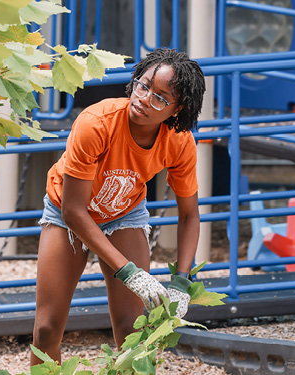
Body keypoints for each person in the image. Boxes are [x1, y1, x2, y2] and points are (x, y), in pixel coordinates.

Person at [31, 48, 206, 366]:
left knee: (132, 332)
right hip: (66, 213)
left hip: (124, 213)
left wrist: (182, 281)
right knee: (45, 329)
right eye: (143, 85)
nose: (144, 98)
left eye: (160, 98)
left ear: (178, 109)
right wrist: (129, 272)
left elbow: (189, 214)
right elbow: (73, 210)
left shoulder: (179, 142)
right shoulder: (96, 123)